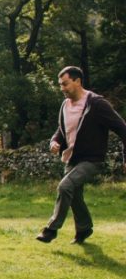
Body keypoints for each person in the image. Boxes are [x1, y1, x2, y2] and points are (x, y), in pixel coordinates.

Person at [36, 66, 126, 244]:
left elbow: (122, 128)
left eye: (65, 84)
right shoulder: (65, 105)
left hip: (92, 159)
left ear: (77, 81)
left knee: (64, 187)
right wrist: (54, 141)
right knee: (74, 195)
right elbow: (62, 130)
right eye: (60, 85)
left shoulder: (97, 104)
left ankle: (51, 230)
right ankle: (84, 229)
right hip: (72, 158)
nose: (62, 88)